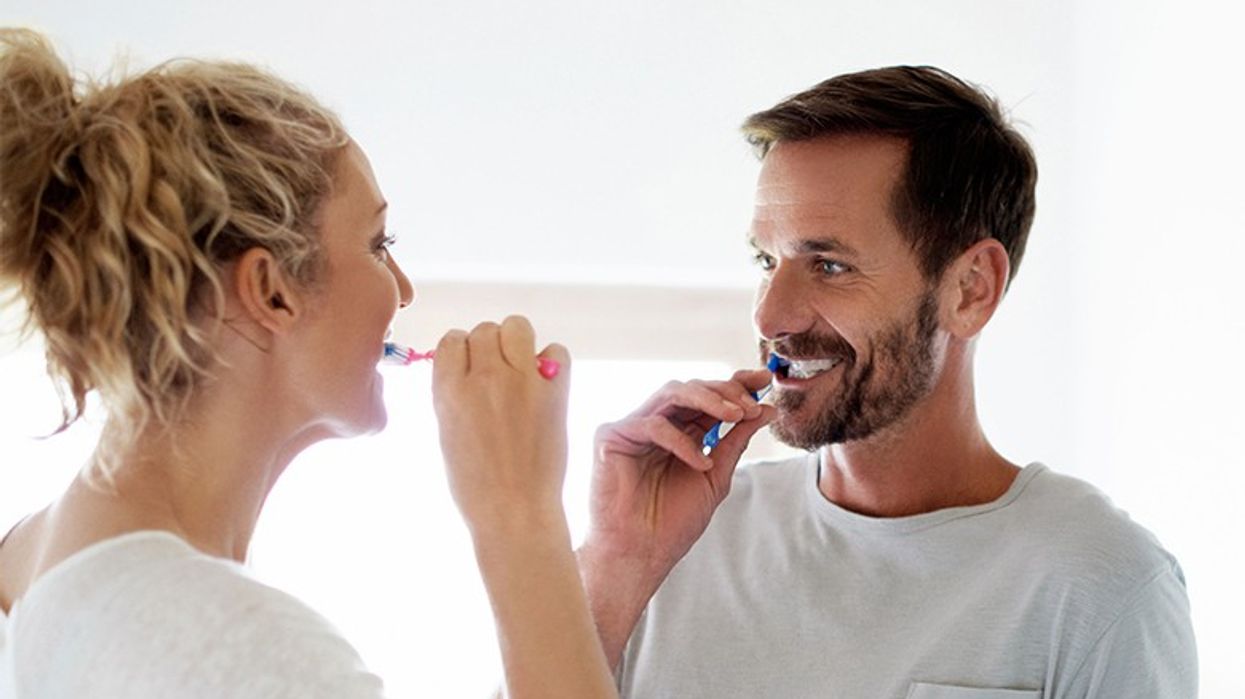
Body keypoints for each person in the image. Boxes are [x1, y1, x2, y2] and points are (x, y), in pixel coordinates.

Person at [0, 29, 734, 698]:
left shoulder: (35, 562)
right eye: (379, 244)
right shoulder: (225, 642)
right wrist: (517, 514)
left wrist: (612, 568)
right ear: (271, 291)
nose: (404, 289)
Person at [577, 66, 1198, 697]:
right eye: (767, 260)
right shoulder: (672, 540)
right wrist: (616, 562)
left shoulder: (1101, 584)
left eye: (829, 265)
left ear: (970, 289)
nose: (769, 317)